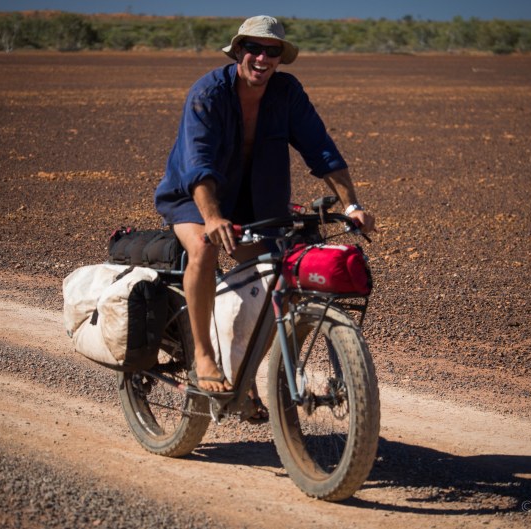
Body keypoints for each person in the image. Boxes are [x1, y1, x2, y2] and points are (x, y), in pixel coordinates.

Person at [154, 15, 376, 401]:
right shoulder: (208, 93)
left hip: (256, 202)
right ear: (239, 50)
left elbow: (321, 149)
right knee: (205, 247)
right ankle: (203, 357)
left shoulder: (286, 93)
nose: (262, 58)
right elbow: (198, 163)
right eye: (253, 48)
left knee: (277, 274)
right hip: (194, 197)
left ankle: (243, 376)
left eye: (271, 51)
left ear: (280, 57)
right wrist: (212, 217)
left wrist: (352, 205)